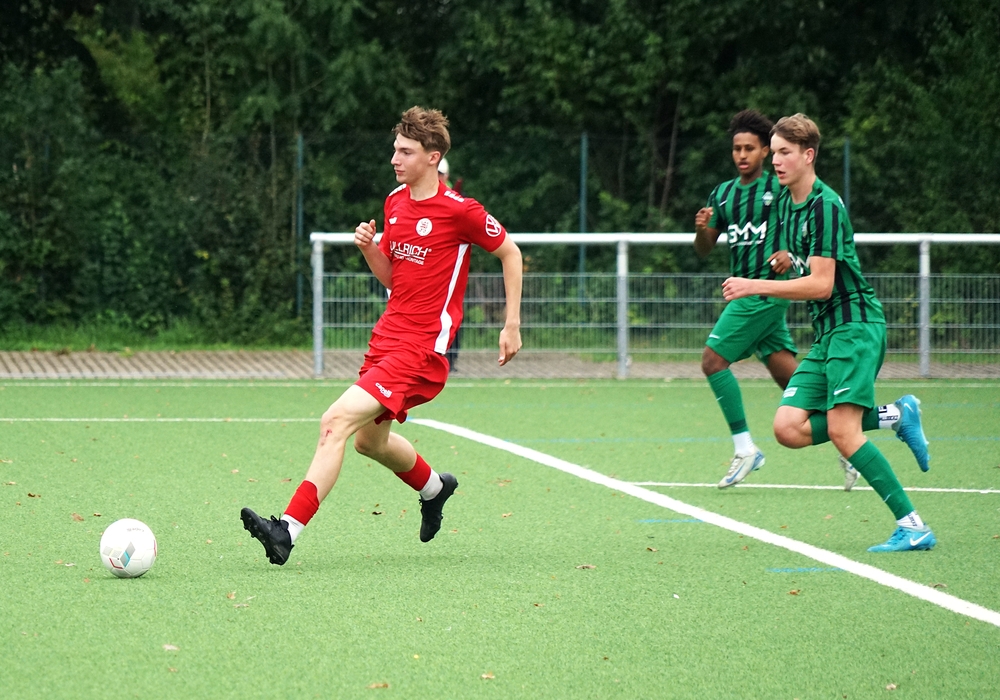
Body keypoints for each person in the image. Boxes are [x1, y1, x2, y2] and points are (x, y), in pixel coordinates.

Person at [241, 106, 523, 564]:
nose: (395, 158)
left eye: (406, 151)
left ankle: (286, 530)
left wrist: (511, 325)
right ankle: (435, 488)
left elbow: (511, 253)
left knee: (334, 421)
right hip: (388, 337)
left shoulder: (461, 211)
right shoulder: (395, 201)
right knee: (368, 441)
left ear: (433, 157)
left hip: (422, 348)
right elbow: (394, 278)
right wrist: (372, 249)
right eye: (395, 149)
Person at [722, 113, 934, 552]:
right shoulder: (786, 202)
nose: (775, 161)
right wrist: (786, 259)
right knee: (788, 428)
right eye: (773, 152)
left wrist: (755, 285)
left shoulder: (826, 206)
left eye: (784, 152)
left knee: (843, 431)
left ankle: (913, 525)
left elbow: (821, 284)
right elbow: (801, 258)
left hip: (855, 327)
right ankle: (896, 415)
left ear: (808, 155)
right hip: (829, 332)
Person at [694, 109, 859, 491]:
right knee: (789, 378)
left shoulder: (780, 188)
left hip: (764, 291)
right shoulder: (723, 194)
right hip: (751, 292)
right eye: (737, 148)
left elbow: (801, 224)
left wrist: (789, 254)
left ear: (765, 151)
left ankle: (745, 449)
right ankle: (848, 439)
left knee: (712, 361)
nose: (742, 155)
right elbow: (704, 248)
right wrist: (701, 229)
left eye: (750, 148)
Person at [438, 157, 462, 372]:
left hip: (449, 272)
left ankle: (451, 360)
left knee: (452, 316)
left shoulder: (457, 203)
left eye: (440, 174)